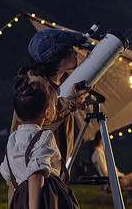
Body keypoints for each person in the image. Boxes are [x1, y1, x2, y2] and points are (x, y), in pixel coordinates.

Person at [9, 29, 90, 162]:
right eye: (70, 51)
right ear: (59, 59)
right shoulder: (34, 86)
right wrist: (71, 102)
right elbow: (45, 115)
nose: (75, 53)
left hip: (55, 162)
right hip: (33, 164)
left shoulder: (65, 80)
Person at [0, 75, 72, 209]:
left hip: (20, 201)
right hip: (42, 200)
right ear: (47, 112)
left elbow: (6, 172)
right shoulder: (44, 136)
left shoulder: (13, 138)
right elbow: (36, 174)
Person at [90, 131, 132, 206]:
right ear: (101, 139)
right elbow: (106, 172)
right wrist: (120, 175)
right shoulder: (99, 153)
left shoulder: (99, 152)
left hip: (116, 179)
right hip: (116, 181)